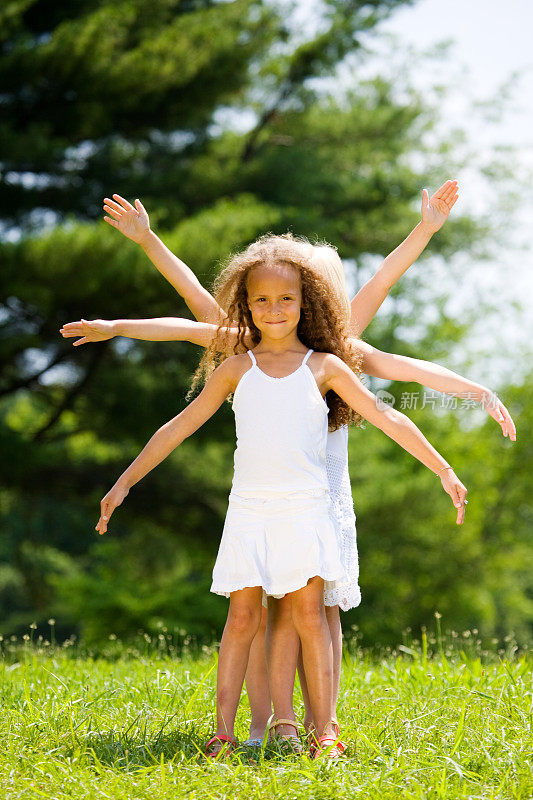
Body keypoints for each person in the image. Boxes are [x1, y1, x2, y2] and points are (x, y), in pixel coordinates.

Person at [60, 184, 515, 749]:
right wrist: (131, 286)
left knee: (319, 613)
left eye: (299, 289)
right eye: (265, 295)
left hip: (321, 493)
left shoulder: (336, 348)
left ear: (314, 294)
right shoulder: (248, 342)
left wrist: (475, 392)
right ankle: (269, 723)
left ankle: (318, 723)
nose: (277, 305)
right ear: (255, 297)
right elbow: (189, 314)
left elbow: (406, 368)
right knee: (261, 614)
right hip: (263, 496)